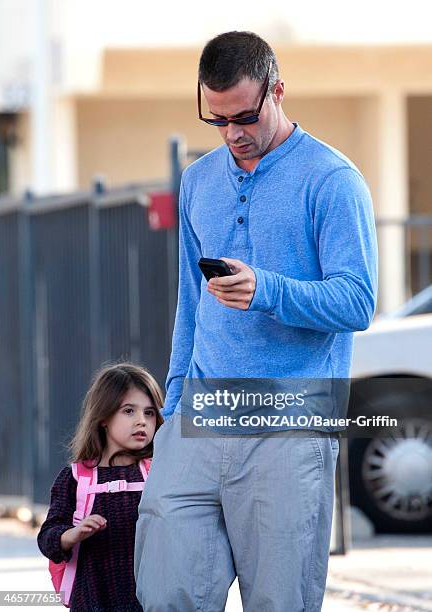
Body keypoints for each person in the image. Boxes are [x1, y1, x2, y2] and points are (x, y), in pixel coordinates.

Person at [135, 31, 378, 612]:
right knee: (167, 590)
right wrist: (171, 406)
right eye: (217, 119)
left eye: (246, 115)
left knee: (279, 600)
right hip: (199, 415)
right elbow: (189, 307)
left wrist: (266, 289)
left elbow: (357, 301)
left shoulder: (331, 180)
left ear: (278, 91)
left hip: (288, 421)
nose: (233, 132)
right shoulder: (198, 181)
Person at [37, 362, 164, 612]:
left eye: (149, 413)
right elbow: (47, 537)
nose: (142, 421)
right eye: (129, 411)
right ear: (104, 417)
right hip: (92, 601)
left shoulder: (160, 471)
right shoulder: (75, 478)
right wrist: (73, 533)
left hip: (150, 602)